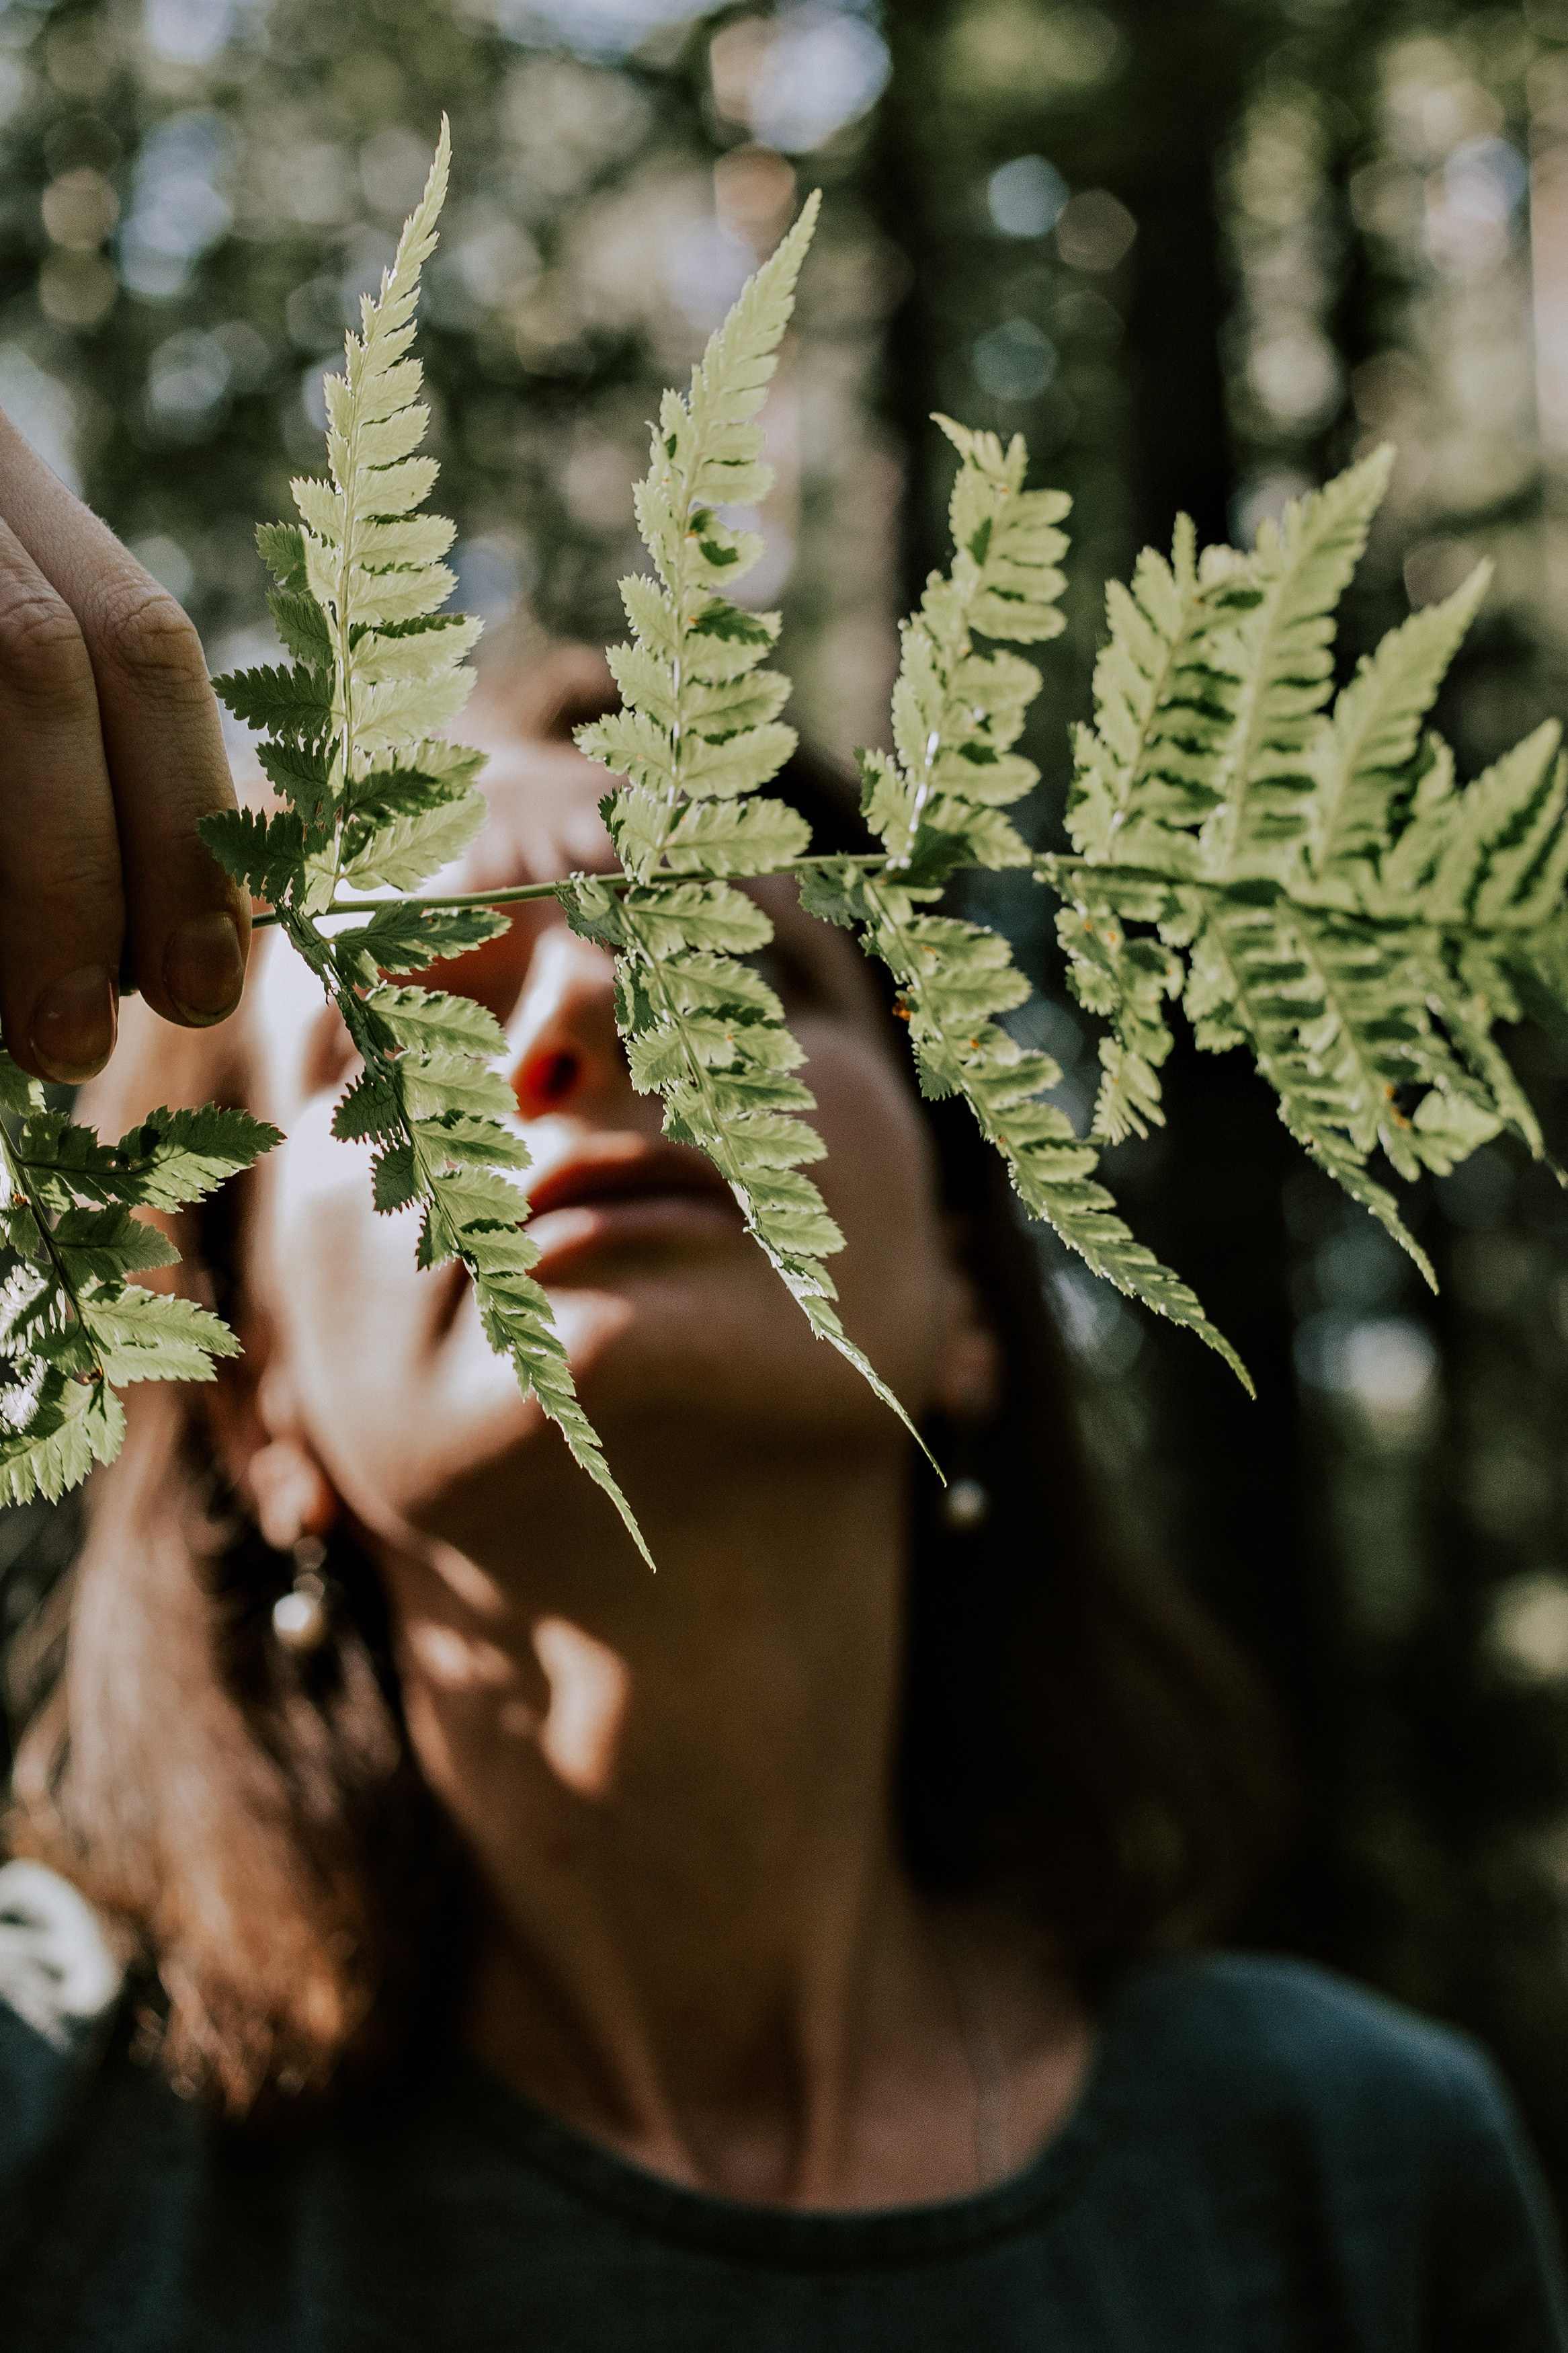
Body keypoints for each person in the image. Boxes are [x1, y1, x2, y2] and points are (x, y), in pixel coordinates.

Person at [0, 508, 1563, 2350]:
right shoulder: (52, 2103)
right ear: (252, 1389)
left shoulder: (1353, 2171)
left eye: (736, 975)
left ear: (975, 1302)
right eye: (417, 1010)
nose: (587, 1011)